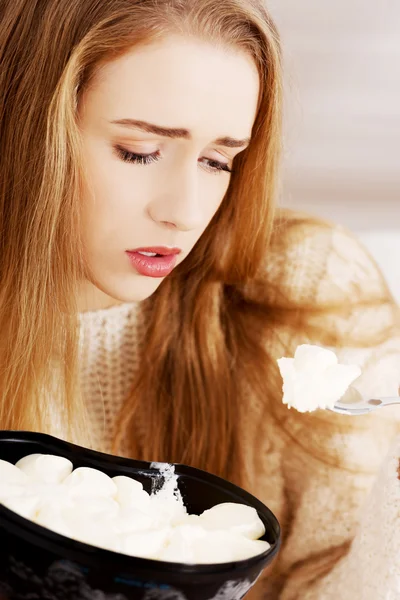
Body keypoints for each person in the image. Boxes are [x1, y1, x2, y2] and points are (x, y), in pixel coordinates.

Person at [0, 0, 399, 598]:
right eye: (140, 151)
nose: (185, 213)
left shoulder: (306, 294)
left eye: (218, 161)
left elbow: (340, 578)